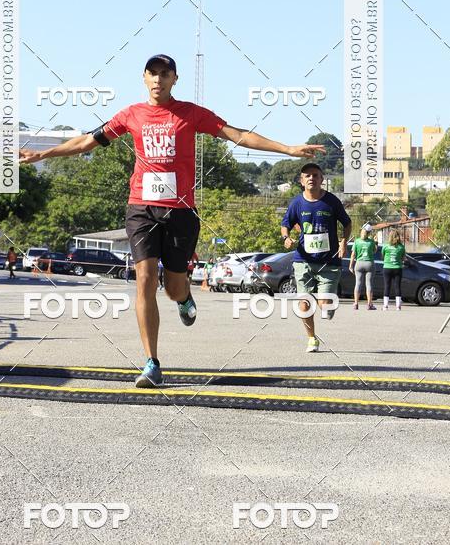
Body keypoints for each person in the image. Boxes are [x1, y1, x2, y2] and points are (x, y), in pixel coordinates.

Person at [20, 53, 324, 387]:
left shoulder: (191, 114)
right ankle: (151, 362)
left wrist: (288, 149)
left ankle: (184, 298)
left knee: (173, 286)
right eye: (152, 74)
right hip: (141, 208)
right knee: (145, 278)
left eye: (165, 74)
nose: (158, 80)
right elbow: (87, 141)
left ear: (174, 79)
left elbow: (236, 134)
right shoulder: (130, 115)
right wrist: (42, 154)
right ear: (144, 78)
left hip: (180, 212)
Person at [281, 163, 351, 353]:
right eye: (307, 176)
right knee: (303, 301)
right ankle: (311, 339)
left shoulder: (331, 202)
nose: (312, 178)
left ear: (322, 180)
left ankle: (328, 303)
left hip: (329, 262)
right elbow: (285, 224)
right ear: (302, 181)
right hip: (303, 260)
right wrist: (286, 238)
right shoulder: (296, 203)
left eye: (315, 175)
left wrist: (344, 242)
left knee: (325, 306)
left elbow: (347, 223)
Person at [349, 223, 377, 311]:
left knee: (358, 284)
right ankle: (369, 304)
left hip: (359, 263)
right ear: (369, 233)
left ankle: (356, 303)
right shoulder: (371, 241)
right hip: (369, 263)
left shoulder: (357, 241)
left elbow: (353, 255)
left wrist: (351, 266)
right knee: (369, 284)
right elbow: (375, 251)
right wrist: (376, 242)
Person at [382, 229, 405, 311]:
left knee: (387, 286)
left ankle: (385, 306)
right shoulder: (401, 247)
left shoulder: (385, 246)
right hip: (397, 268)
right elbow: (403, 258)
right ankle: (398, 306)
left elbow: (383, 256)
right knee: (397, 286)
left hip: (387, 268)